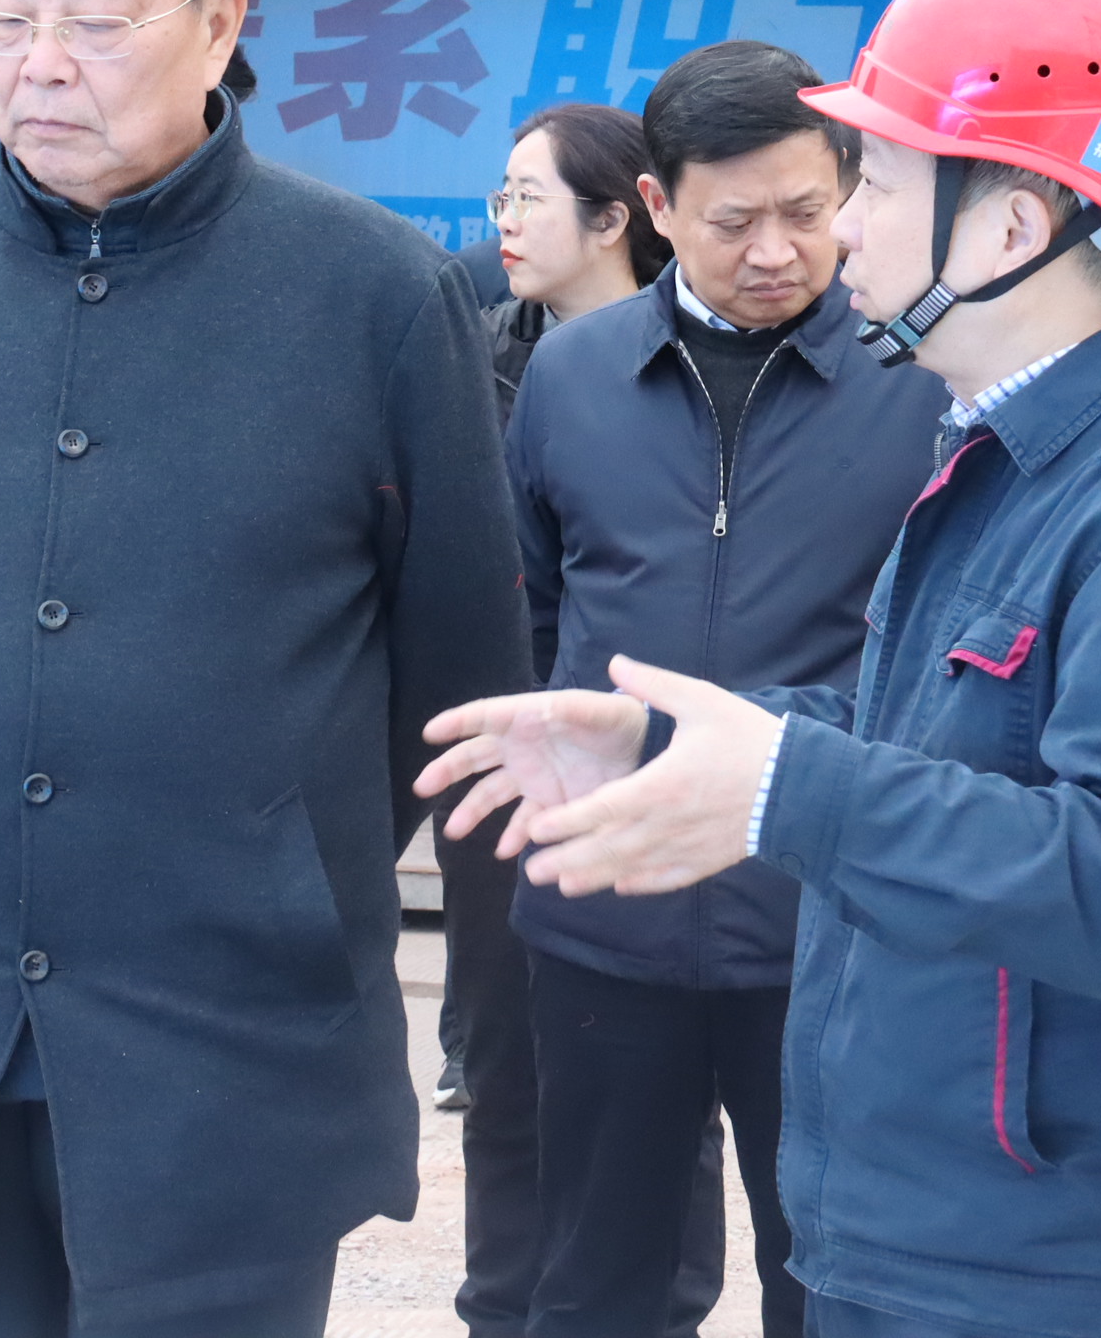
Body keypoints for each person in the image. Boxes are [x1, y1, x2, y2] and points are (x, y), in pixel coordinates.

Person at [421, 0, 1101, 1338]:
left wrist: (787, 788)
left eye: (873, 181)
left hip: (1062, 1276)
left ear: (1011, 225)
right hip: (938, 1236)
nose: (841, 230)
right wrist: (673, 743)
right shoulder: (1023, 449)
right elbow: (945, 744)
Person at [0, 0, 528, 1338]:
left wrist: (263, 844)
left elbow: (457, 678)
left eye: (95, 17)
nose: (39, 63)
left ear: (219, 22)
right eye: (4, 17)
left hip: (229, 1042)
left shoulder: (377, 296)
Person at [509, 49, 950, 1338]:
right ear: (656, 205)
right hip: (605, 915)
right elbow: (531, 613)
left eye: (807, 211)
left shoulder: (925, 381)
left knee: (836, 1282)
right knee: (596, 1282)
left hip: (835, 922)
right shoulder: (572, 375)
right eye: (732, 219)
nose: (775, 251)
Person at [443, 102, 719, 1338]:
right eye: (498, 196)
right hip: (504, 767)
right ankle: (501, 1307)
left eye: (527, 197)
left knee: (656, 1090)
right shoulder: (474, 352)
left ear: (616, 218)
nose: (502, 222)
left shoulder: (699, 367)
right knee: (504, 1066)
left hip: (649, 771)